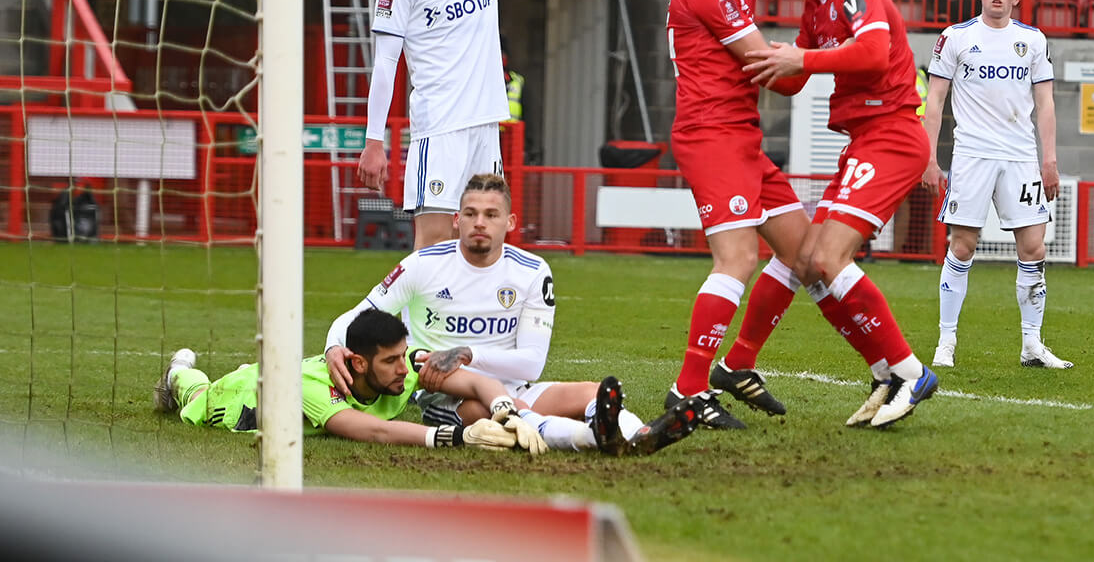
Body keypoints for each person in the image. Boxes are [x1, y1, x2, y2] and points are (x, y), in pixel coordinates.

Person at [662, 0, 883, 430]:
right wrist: (824, 53)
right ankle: (686, 390)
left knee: (802, 253)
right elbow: (773, 73)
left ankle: (738, 364)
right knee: (736, 260)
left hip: (741, 137)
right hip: (712, 136)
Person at [324, 173, 704, 456]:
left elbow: (532, 364)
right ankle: (594, 438)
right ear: (457, 219)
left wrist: (470, 353)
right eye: (471, 213)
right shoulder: (422, 265)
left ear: (510, 223)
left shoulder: (532, 271)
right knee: (487, 408)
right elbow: (358, 316)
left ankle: (639, 436)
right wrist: (332, 347)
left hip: (513, 386)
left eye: (491, 214)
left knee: (591, 392)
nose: (480, 222)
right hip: (448, 397)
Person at [744, 0, 939, 429]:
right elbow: (792, 77)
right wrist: (749, 60)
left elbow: (873, 53)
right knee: (807, 260)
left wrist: (800, 60)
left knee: (827, 259)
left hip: (894, 137)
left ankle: (910, 372)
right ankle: (884, 370)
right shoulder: (816, 3)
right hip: (865, 139)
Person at [357, 0, 570, 249]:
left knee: (482, 243)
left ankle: (468, 311)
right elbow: (386, 62)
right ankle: (417, 310)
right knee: (435, 242)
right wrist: (374, 140)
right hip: (439, 128)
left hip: (485, 127)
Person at [920, 0, 1073, 370]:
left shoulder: (1033, 40)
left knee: (1034, 246)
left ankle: (1032, 345)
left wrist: (1050, 159)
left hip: (1021, 157)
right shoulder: (956, 37)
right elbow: (934, 101)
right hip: (972, 155)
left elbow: (1045, 104)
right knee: (962, 245)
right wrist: (929, 158)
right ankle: (946, 341)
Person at [152, 308, 547, 453]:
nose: (403, 370)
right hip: (239, 400)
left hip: (272, 379)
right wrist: (457, 437)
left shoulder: (406, 364)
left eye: (402, 357)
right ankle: (178, 372)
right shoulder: (313, 389)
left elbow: (476, 383)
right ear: (358, 363)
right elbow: (373, 431)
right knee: (195, 394)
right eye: (390, 361)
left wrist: (504, 410)